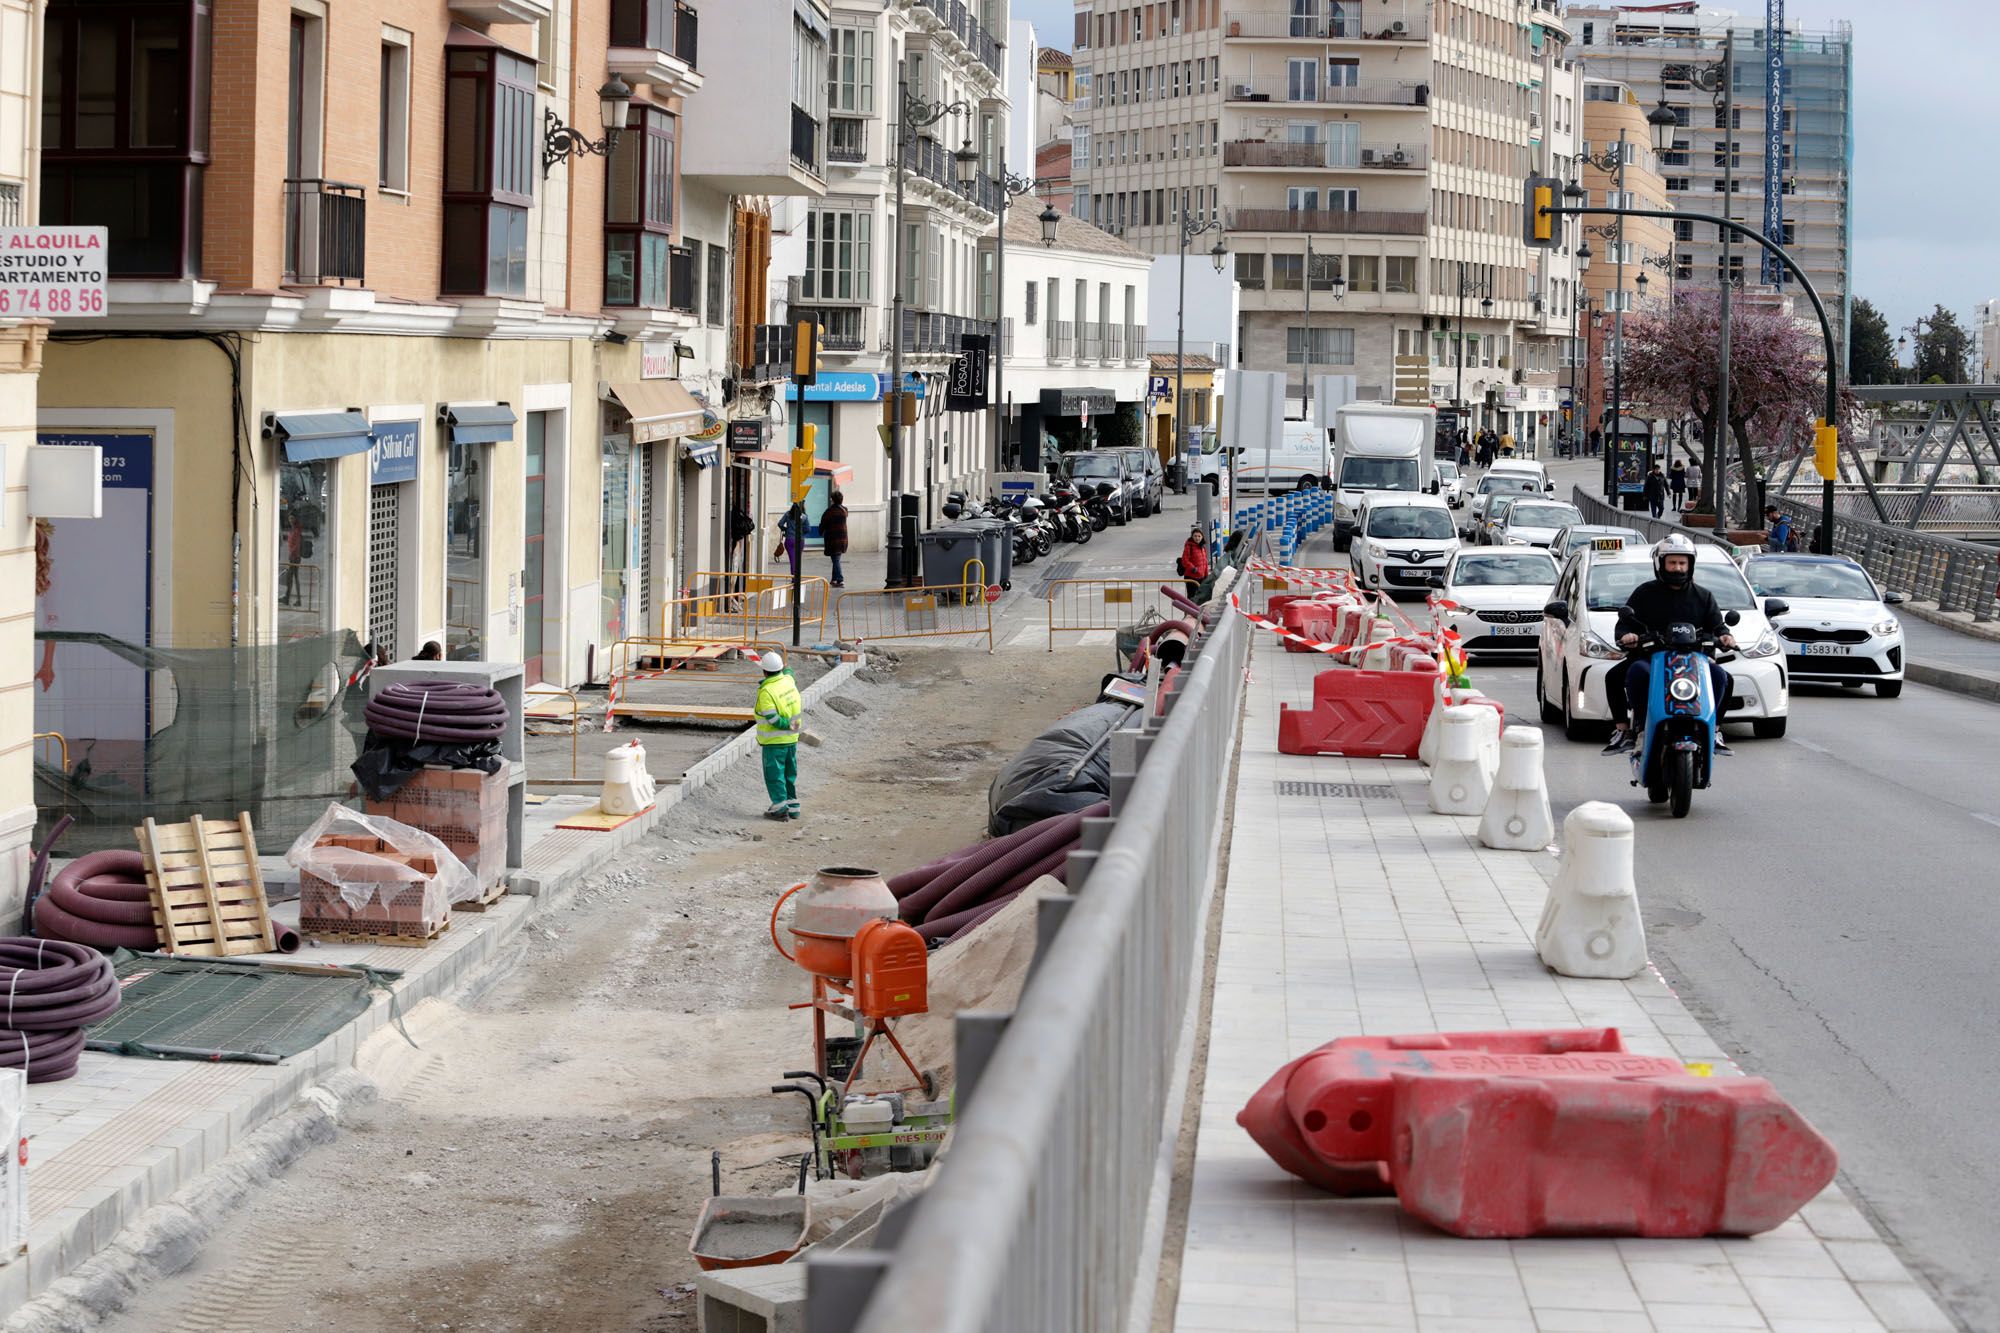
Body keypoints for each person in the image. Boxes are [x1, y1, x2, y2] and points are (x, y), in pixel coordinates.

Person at [1603, 534, 1737, 756]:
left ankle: (1714, 731)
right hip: (1650, 657)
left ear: (1690, 565)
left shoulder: (1704, 596)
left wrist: (1725, 637)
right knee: (1618, 675)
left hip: (1693, 660)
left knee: (1723, 678)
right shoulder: (1644, 593)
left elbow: (1718, 626)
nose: (1678, 568)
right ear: (1660, 563)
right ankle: (1626, 731)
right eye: (1672, 562)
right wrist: (1627, 636)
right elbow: (1624, 625)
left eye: (1683, 563)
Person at [754, 650, 803, 820]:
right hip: (792, 738)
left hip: (775, 741)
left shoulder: (767, 691)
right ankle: (793, 806)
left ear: (764, 671)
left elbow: (773, 718)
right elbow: (790, 673)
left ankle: (780, 808)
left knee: (775, 776)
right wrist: (787, 668)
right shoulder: (788, 681)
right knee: (790, 773)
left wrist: (786, 725)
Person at [820, 490, 850, 588]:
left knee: (836, 560)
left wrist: (820, 531)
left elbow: (823, 523)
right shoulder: (844, 510)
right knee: (836, 558)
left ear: (832, 500)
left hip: (833, 540)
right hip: (843, 539)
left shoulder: (830, 511)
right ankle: (834, 579)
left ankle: (840, 580)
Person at [1177, 524, 1211, 599]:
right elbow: (1184, 560)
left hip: (1201, 577)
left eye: (1199, 536)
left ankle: (1198, 610)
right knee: (1192, 596)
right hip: (1191, 576)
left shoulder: (1203, 548)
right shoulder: (1189, 546)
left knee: (1200, 596)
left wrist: (1206, 576)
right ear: (1192, 537)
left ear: (1202, 537)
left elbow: (1204, 563)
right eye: (1195, 536)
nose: (1197, 538)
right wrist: (1193, 568)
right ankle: (1191, 610)